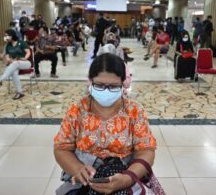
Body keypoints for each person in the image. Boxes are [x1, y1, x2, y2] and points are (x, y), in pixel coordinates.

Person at [54, 54, 156, 194]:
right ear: (90, 81)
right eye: (100, 85)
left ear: (123, 84)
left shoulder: (134, 111)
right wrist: (77, 169)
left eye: (113, 86)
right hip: (84, 177)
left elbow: (146, 151)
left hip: (126, 173)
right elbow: (61, 148)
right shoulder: (77, 110)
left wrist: (127, 178)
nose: (106, 90)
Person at [0, 29, 31, 100]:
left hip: (25, 63)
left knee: (15, 63)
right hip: (15, 63)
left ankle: (1, 80)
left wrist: (25, 58)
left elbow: (28, 52)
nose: (5, 37)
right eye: (5, 36)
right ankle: (20, 92)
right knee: (14, 72)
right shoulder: (8, 46)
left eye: (7, 35)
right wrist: (9, 60)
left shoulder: (21, 42)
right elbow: (7, 57)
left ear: (12, 35)